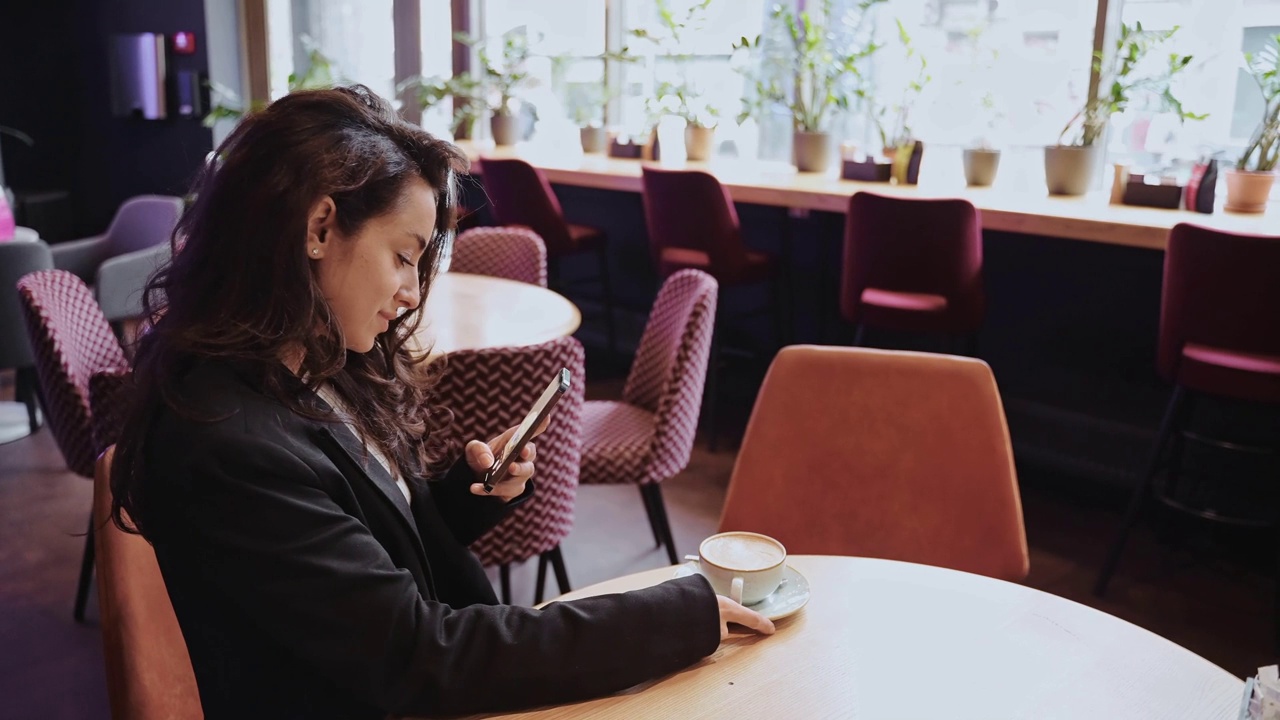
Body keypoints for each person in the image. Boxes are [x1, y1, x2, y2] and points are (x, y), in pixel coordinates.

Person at [109, 85, 774, 719]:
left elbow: (355, 549)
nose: (409, 294)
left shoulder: (314, 360)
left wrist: (464, 495)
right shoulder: (228, 440)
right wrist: (673, 614)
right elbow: (421, 653)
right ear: (319, 227)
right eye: (403, 257)